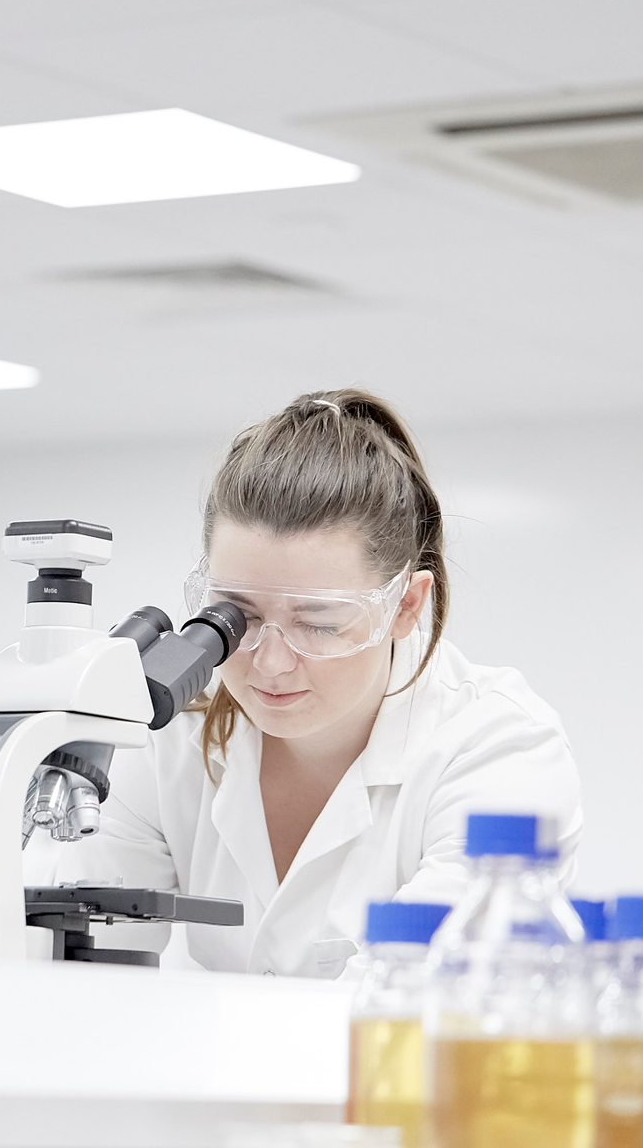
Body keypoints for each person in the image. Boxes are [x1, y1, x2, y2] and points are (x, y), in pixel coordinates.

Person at [56, 389, 582, 978]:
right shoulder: (165, 731)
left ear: (406, 607)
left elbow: (418, 998)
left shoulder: (499, 746)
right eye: (239, 619)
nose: (272, 663)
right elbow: (84, 968)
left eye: (320, 624)